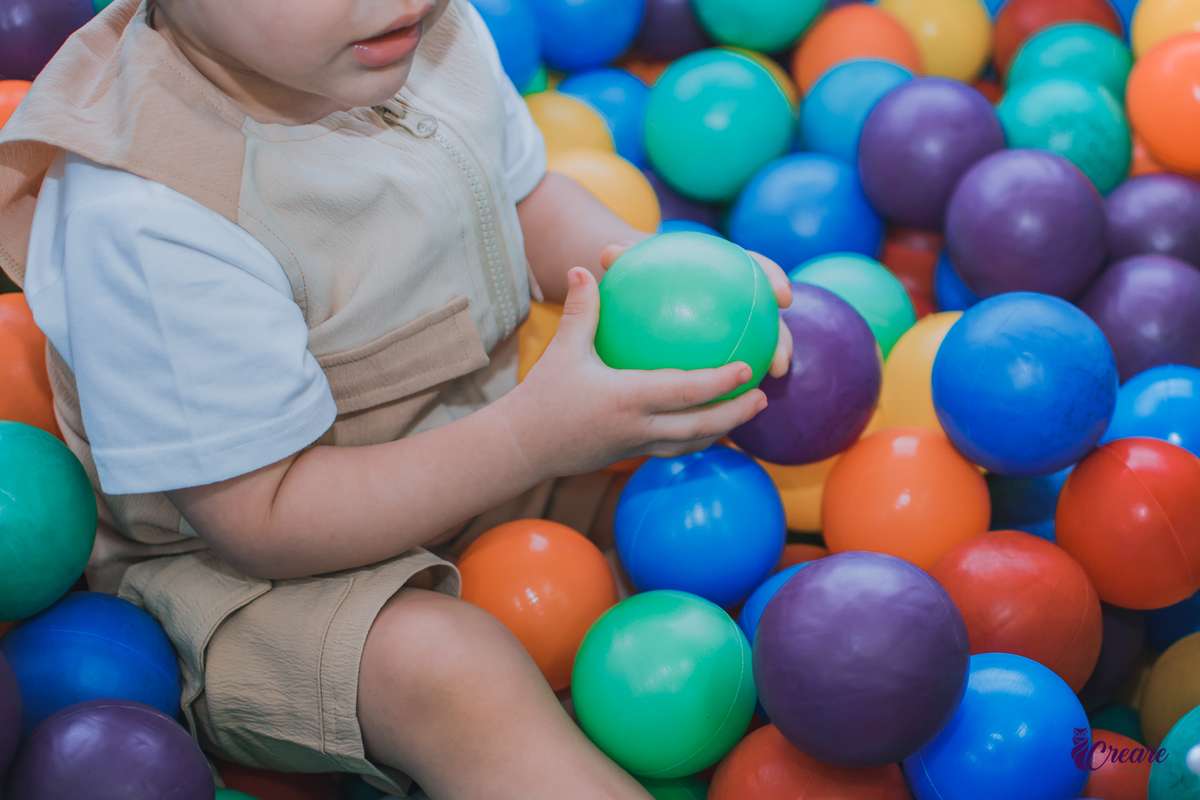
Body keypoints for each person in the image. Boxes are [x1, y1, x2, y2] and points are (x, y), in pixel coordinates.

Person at [0, 0, 792, 796]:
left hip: (488, 443)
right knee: (449, 670)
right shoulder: (150, 214)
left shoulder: (419, 37)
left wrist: (669, 290)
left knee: (694, 465)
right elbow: (262, 520)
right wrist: (531, 439)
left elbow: (525, 202)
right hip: (257, 584)